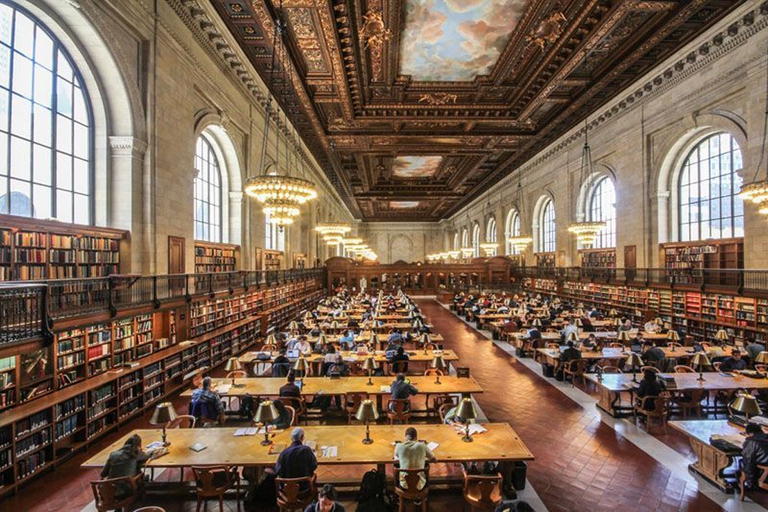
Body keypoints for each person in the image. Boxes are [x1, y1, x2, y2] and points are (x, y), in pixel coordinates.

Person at [740, 423, 768, 491]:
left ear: (750, 433)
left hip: (764, 472)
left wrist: (750, 483)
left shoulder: (751, 442)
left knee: (742, 462)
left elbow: (748, 462)